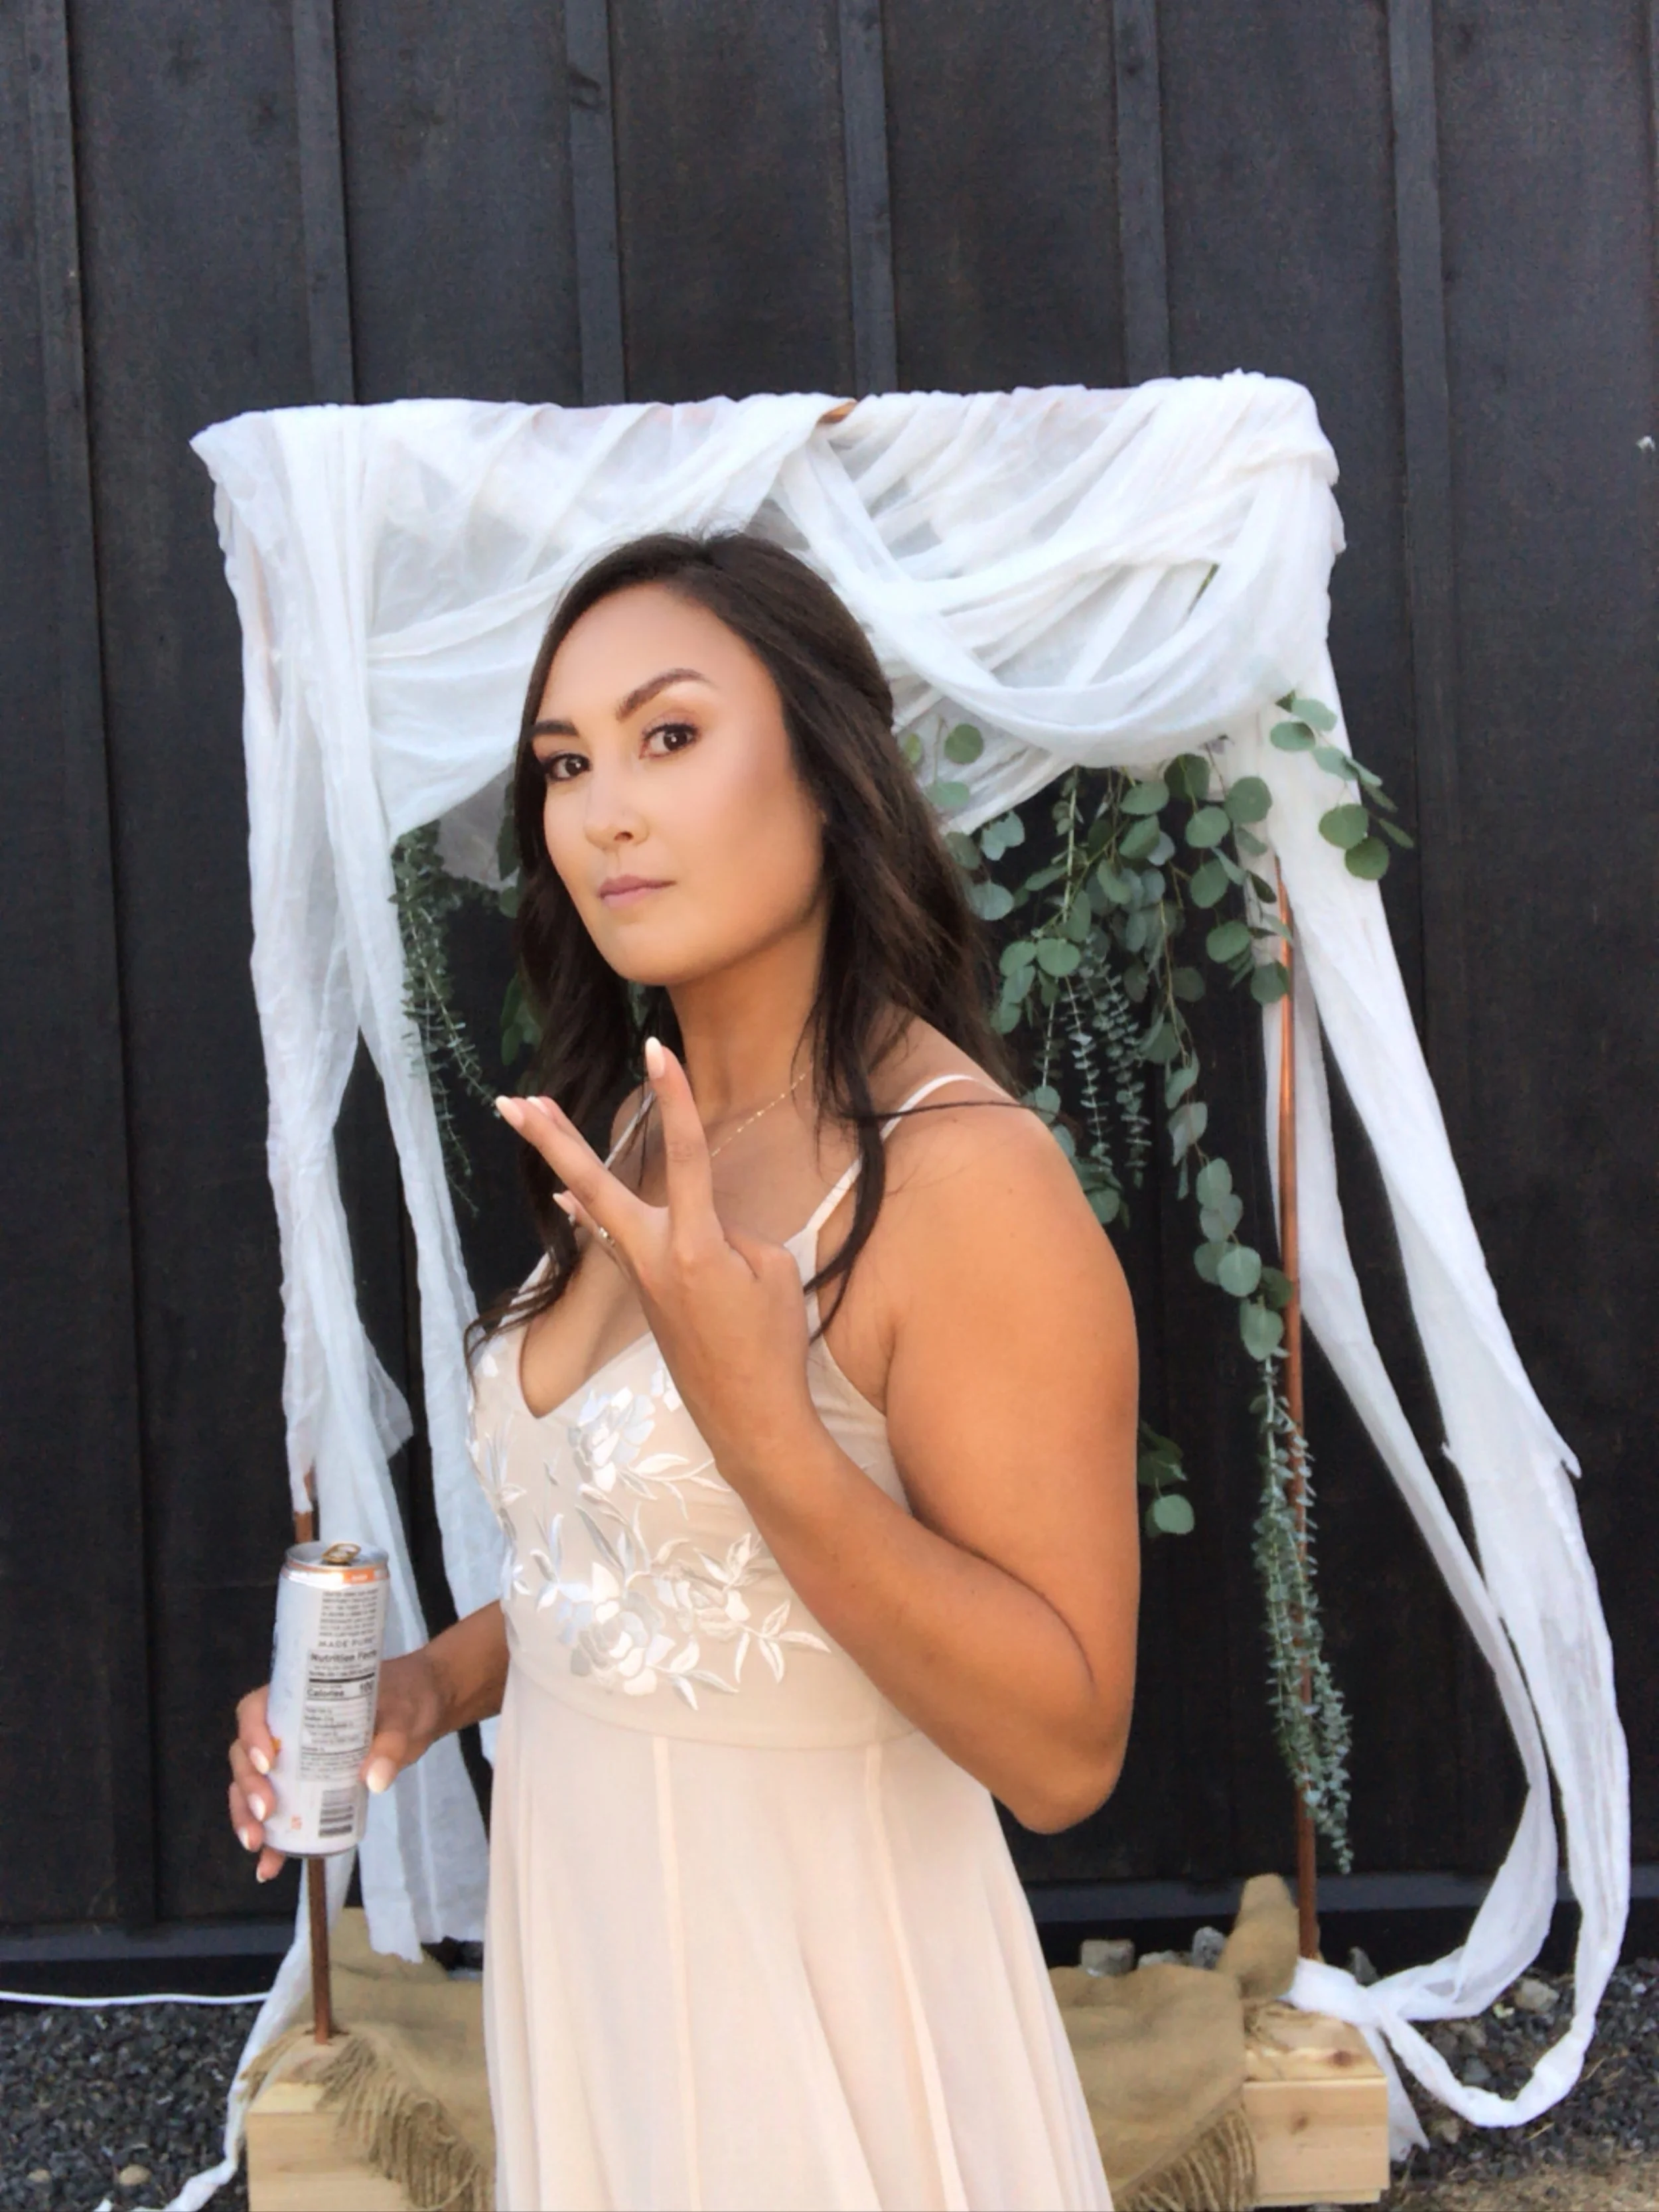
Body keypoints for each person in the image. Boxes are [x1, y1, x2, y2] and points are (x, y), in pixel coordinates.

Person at [229, 531, 1139, 2211]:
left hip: (811, 1998)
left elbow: (1065, 1749)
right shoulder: (639, 1122)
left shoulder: (963, 1183)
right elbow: (656, 1573)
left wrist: (765, 1430)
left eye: (667, 735)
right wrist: (435, 1684)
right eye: (565, 763)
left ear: (827, 773)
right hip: (592, 1969)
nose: (605, 811)